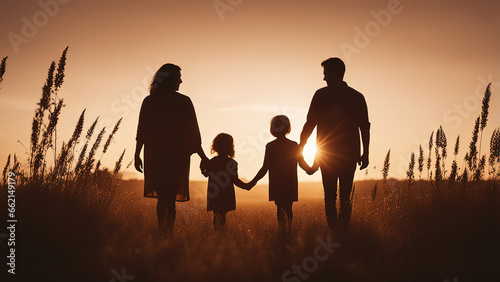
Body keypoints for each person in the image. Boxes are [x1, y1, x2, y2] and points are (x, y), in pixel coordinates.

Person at [134, 63, 208, 238]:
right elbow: (193, 133)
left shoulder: (151, 101)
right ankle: (167, 233)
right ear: (169, 79)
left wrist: (137, 154)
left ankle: (164, 233)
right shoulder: (182, 101)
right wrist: (203, 157)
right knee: (168, 198)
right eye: (178, 77)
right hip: (174, 157)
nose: (181, 81)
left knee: (163, 197)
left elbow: (142, 131)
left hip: (158, 155)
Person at [300, 57, 370, 231]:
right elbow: (365, 127)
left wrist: (301, 146)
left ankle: (334, 232)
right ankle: (343, 233)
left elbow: (310, 123)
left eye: (326, 74)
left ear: (335, 72)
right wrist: (365, 153)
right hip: (350, 154)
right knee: (345, 197)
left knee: (329, 196)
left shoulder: (321, 95)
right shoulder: (357, 96)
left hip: (327, 154)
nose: (324, 78)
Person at [249, 115, 313, 235]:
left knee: (280, 208)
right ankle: (288, 231)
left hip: (276, 182)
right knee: (289, 207)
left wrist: (253, 182)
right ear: (288, 128)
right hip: (290, 182)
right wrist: (311, 169)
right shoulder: (294, 145)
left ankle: (282, 231)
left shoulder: (270, 146)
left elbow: (265, 167)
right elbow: (302, 163)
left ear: (272, 129)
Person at [204, 133, 252, 232]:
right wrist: (246, 186)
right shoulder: (232, 163)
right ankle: (221, 235)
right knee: (222, 216)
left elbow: (205, 174)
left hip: (214, 193)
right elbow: (235, 180)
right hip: (226, 194)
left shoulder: (211, 162)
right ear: (231, 147)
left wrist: (202, 167)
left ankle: (218, 235)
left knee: (216, 215)